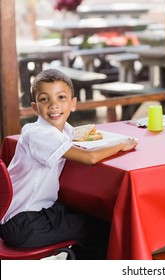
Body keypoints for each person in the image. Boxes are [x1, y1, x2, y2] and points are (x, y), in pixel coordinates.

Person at [0, 69, 137, 259]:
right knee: (104, 229)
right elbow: (90, 158)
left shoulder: (60, 131)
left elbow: (78, 137)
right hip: (24, 223)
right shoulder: (40, 133)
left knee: (92, 218)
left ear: (73, 104)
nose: (54, 105)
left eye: (61, 97)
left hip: (29, 215)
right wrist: (121, 144)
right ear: (34, 107)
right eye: (44, 99)